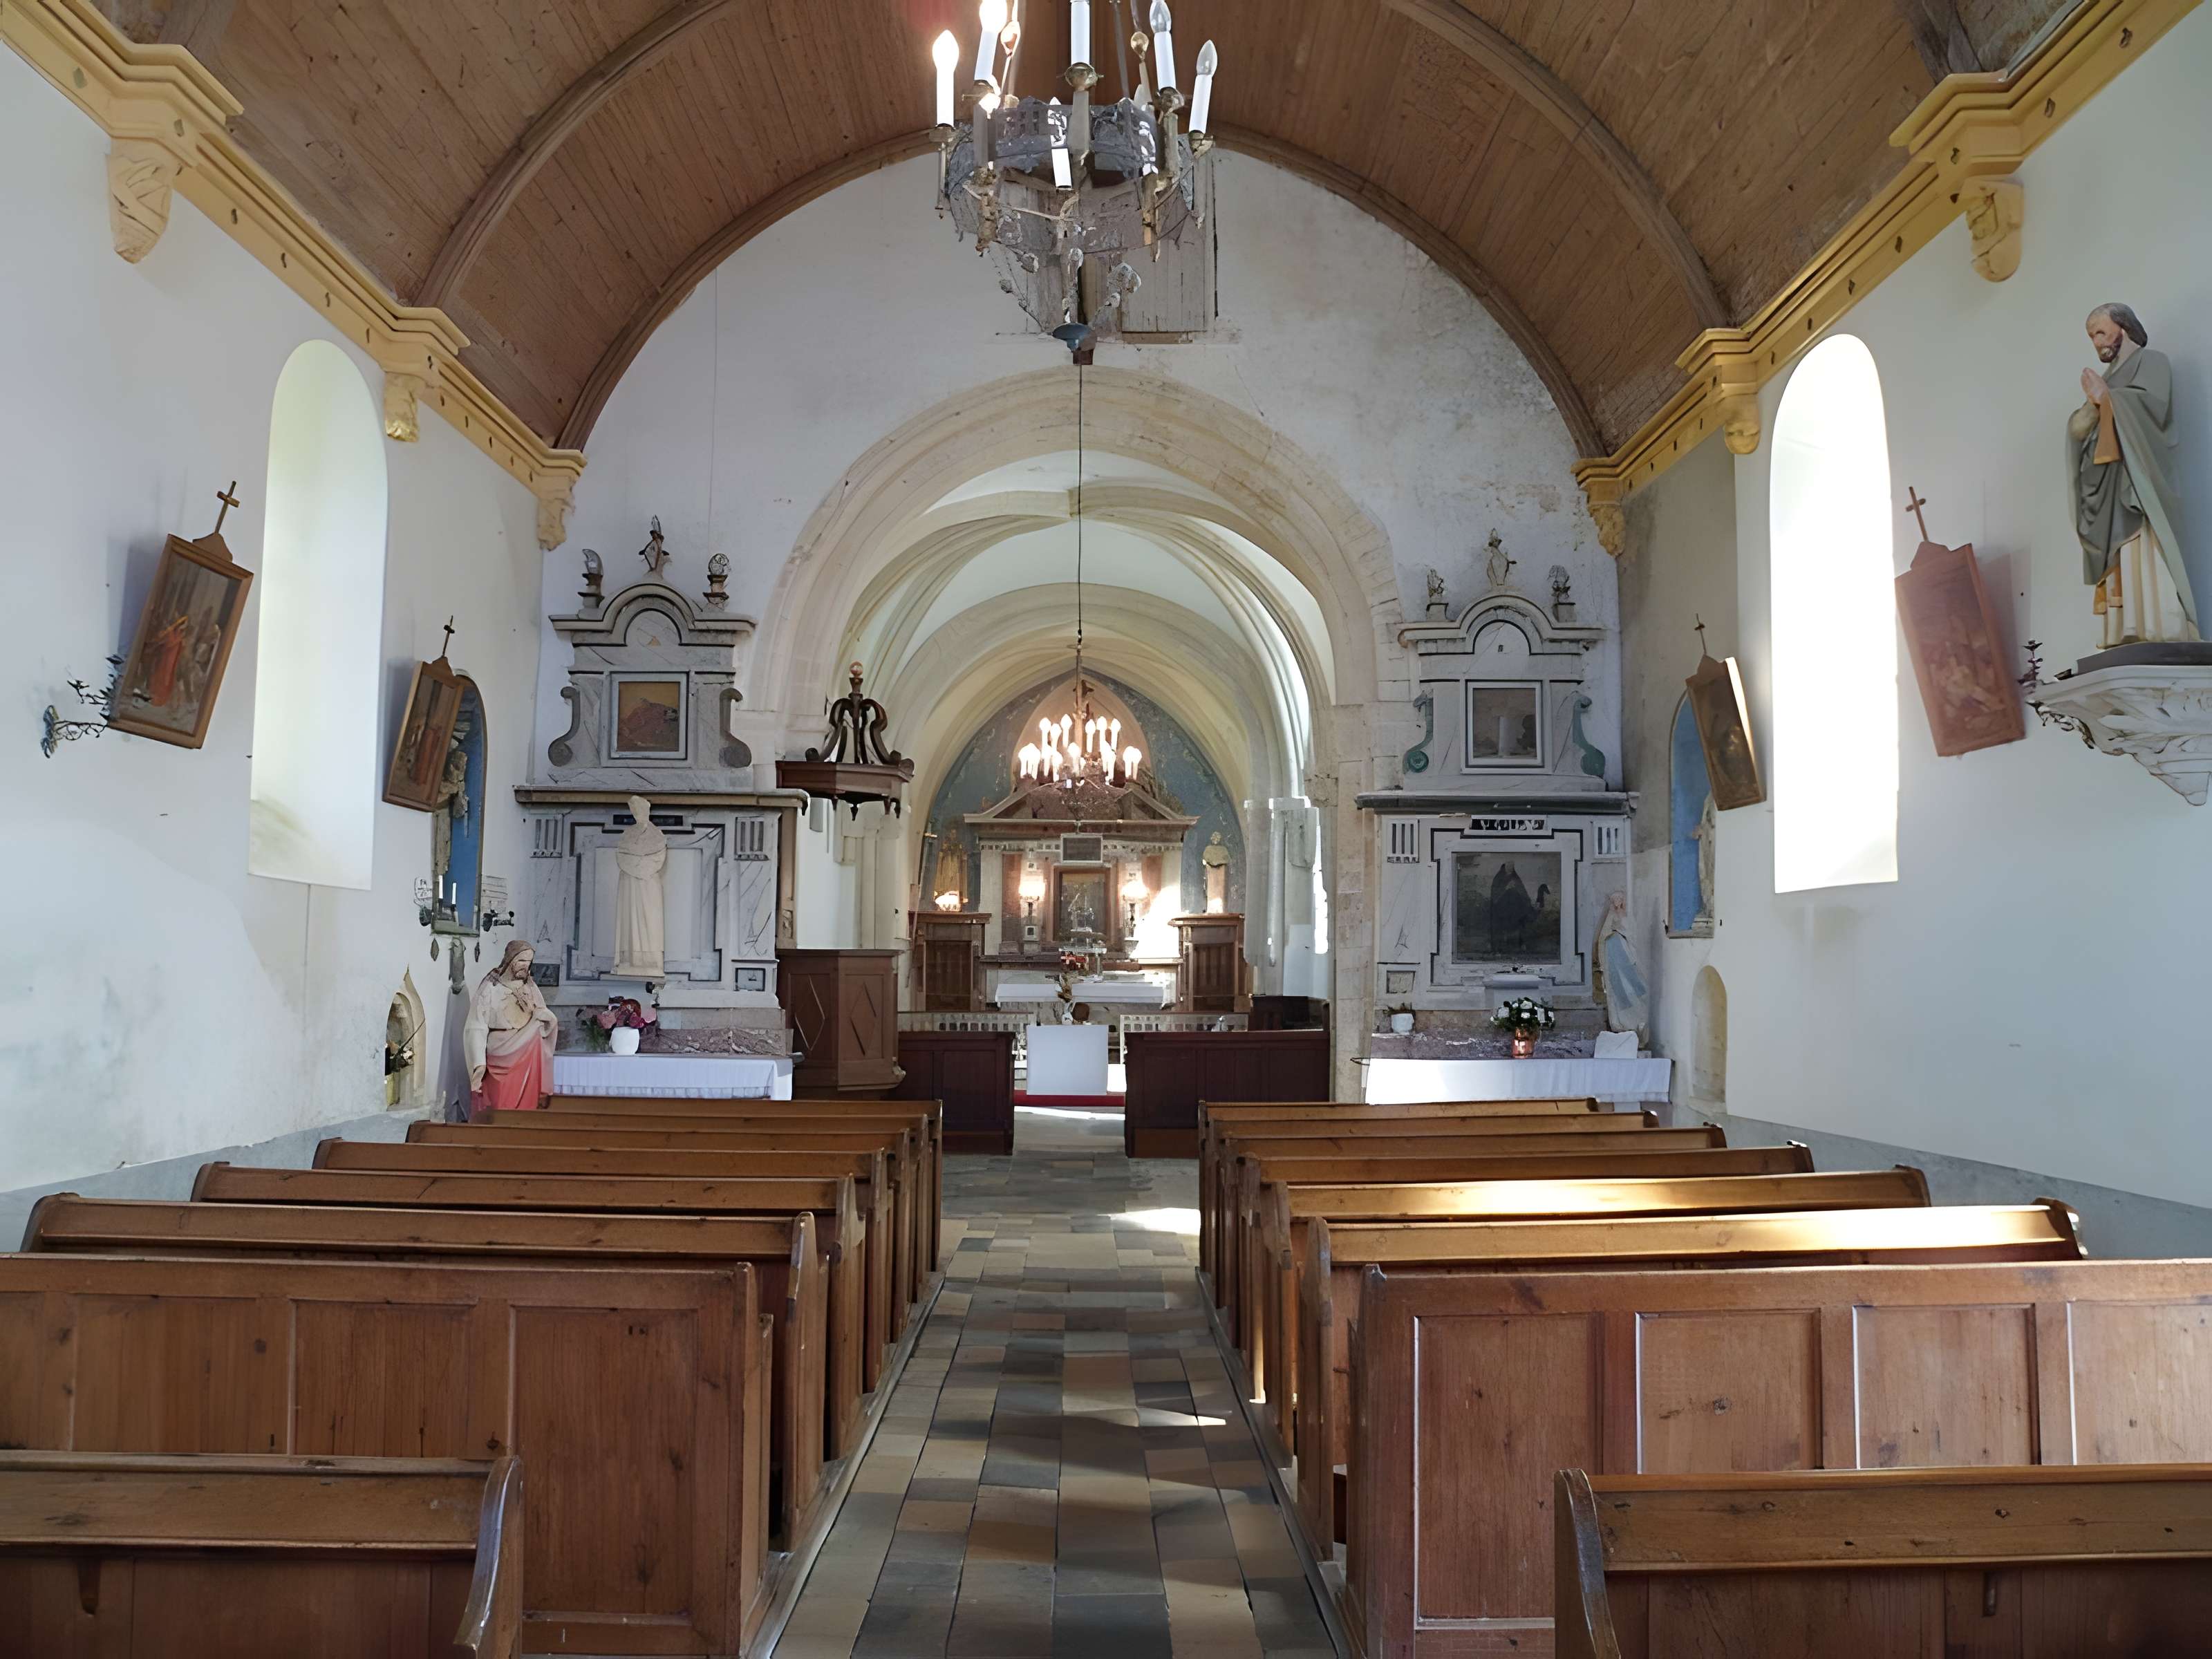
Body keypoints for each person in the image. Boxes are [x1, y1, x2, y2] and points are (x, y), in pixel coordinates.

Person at [2068, 303, 2199, 646]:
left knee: (2142, 546)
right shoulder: (2108, 378)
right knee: (2118, 555)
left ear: (2122, 328)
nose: (2097, 342)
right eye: (2091, 336)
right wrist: (2081, 421)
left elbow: (2153, 406)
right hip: (2109, 488)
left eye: (2100, 332)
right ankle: (2124, 630)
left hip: (2138, 484)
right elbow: (2085, 429)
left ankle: (2159, 626)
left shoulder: (2152, 362)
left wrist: (2108, 400)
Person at [464, 939, 559, 1116]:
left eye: (529, 962)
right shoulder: (491, 988)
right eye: (522, 960)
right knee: (500, 1105)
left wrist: (548, 1020)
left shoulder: (530, 986)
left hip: (527, 1056)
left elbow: (541, 1011)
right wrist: (478, 1062)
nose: (526, 966)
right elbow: (477, 1026)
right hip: (500, 1053)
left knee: (526, 1108)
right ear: (510, 959)